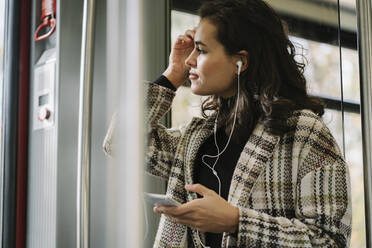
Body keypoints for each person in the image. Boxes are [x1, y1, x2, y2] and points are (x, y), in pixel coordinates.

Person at [103, 0, 352, 247]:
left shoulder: (303, 132)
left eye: (201, 50)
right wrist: (172, 74)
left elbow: (330, 241)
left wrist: (236, 221)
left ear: (239, 61)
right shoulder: (196, 137)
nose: (190, 60)